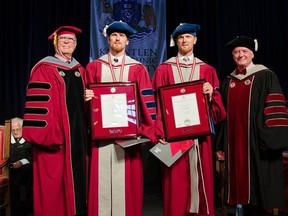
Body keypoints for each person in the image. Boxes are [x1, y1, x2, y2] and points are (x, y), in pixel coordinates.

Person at [152, 23, 226, 216]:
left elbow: (218, 112)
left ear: (195, 40)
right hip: (173, 138)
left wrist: (212, 94)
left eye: (188, 37)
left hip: (200, 138)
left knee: (201, 181)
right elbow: (157, 104)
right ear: (175, 41)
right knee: (174, 183)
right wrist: (160, 131)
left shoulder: (207, 69)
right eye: (180, 38)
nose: (184, 40)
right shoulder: (164, 70)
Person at [85, 20, 157, 216]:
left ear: (127, 41)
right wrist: (86, 98)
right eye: (114, 35)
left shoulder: (138, 69)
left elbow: (147, 103)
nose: (118, 38)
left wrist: (150, 130)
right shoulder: (93, 68)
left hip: (128, 140)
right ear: (108, 39)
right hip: (100, 140)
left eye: (122, 36)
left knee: (126, 189)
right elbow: (85, 105)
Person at [216, 35, 288, 215]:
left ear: (252, 54)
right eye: (236, 52)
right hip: (235, 145)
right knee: (240, 194)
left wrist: (269, 140)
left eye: (244, 51)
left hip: (259, 144)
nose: (240, 55)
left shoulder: (266, 76)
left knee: (261, 194)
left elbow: (275, 109)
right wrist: (221, 143)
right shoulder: (228, 81)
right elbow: (222, 115)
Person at [22, 26, 88, 216]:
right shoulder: (44, 69)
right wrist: (52, 136)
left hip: (76, 140)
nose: (67, 42)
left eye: (71, 40)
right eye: (63, 39)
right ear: (55, 42)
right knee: (52, 190)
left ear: (75, 45)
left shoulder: (79, 70)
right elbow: (39, 107)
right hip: (53, 141)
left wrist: (87, 99)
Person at [10, 117, 32, 214]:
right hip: (10, 167)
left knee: (25, 168)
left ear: (22, 128)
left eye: (17, 129)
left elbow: (32, 157)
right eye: (13, 130)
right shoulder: (8, 141)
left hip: (25, 169)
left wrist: (21, 162)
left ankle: (22, 195)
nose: (15, 132)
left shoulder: (28, 140)